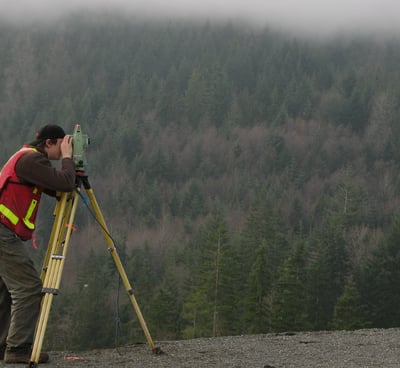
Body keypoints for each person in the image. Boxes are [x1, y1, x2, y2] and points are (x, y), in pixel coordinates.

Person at [0, 125, 75, 364]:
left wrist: (71, 170)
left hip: (3, 230)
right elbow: (64, 183)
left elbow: (57, 185)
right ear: (50, 143)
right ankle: (18, 348)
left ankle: (3, 346)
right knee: (28, 287)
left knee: (6, 290)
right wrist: (67, 159)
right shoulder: (31, 160)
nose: (63, 149)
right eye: (61, 144)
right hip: (1, 232)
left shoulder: (26, 158)